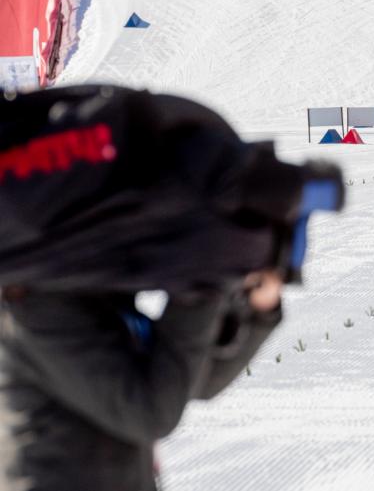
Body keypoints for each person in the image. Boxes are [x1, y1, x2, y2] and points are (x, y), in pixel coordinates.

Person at [0, 84, 345, 491]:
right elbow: (151, 410)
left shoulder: (91, 294)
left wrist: (258, 305)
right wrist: (201, 289)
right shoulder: (32, 310)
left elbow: (198, 381)